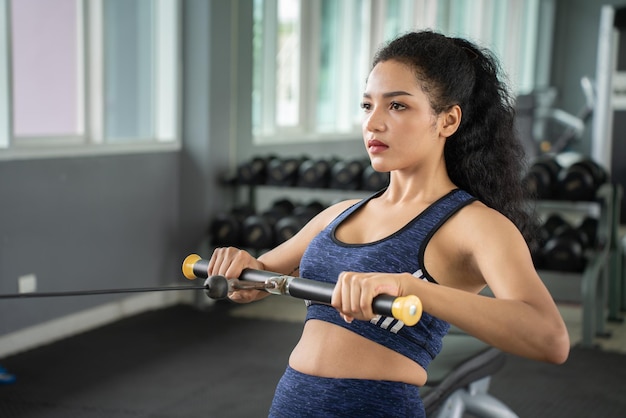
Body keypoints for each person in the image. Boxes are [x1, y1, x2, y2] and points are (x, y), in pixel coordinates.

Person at [208, 30, 570, 417]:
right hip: (291, 404)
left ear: (448, 120)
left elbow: (550, 339)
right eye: (367, 106)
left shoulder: (474, 224)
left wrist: (411, 289)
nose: (373, 123)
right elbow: (258, 277)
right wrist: (238, 269)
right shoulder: (340, 213)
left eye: (397, 106)